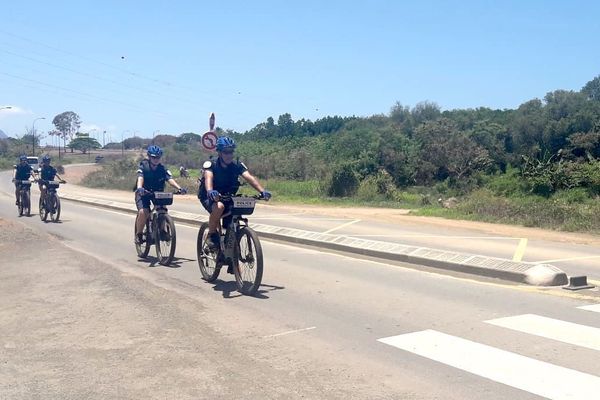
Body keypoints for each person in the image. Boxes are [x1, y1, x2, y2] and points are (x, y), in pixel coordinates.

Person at [198, 136, 271, 250]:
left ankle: (231, 256)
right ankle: (211, 235)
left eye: (231, 151)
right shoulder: (212, 164)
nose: (229, 155)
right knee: (219, 207)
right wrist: (210, 191)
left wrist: (262, 191)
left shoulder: (237, 165)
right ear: (220, 152)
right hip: (210, 196)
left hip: (228, 196)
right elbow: (208, 178)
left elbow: (248, 177)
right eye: (226, 152)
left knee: (235, 213)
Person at [134, 145, 186, 244]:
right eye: (154, 157)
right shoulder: (143, 166)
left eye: (158, 157)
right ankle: (139, 234)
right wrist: (140, 188)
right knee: (143, 212)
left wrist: (179, 188)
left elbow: (170, 179)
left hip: (157, 193)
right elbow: (140, 177)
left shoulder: (162, 169)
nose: (156, 159)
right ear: (149, 157)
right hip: (143, 193)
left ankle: (162, 230)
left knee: (162, 209)